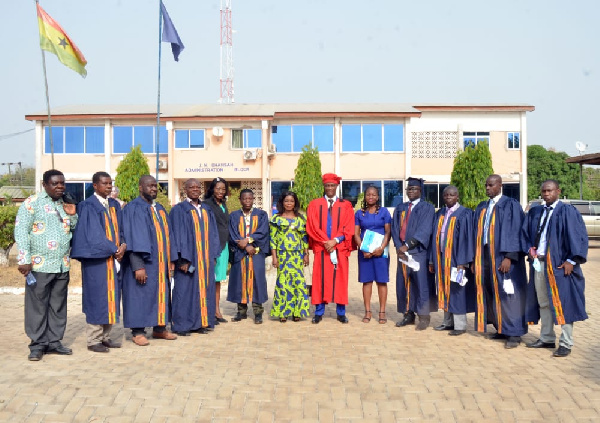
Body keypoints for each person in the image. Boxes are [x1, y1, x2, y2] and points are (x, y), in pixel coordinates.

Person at [14, 169, 78, 361]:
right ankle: (38, 344)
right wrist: (24, 259)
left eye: (62, 183)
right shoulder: (31, 204)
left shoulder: (65, 204)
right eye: (55, 183)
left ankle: (54, 341)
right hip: (38, 266)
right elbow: (21, 231)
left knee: (58, 306)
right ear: (44, 184)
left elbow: (72, 229)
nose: (60, 187)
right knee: (38, 306)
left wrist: (73, 215)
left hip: (61, 265)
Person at [523, 180, 588, 357]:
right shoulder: (537, 211)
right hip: (540, 264)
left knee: (563, 303)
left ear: (558, 191)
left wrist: (572, 261)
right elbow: (527, 234)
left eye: (550, 191)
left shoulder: (567, 212)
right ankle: (547, 338)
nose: (546, 194)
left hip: (560, 265)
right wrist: (530, 248)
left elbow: (579, 236)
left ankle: (566, 343)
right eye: (543, 191)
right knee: (543, 302)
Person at [71, 172, 126, 353]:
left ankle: (106, 337)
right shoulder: (88, 206)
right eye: (105, 183)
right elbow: (93, 235)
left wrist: (123, 246)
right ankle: (93, 339)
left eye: (110, 183)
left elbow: (122, 229)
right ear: (95, 185)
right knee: (97, 298)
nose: (109, 186)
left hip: (114, 260)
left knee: (112, 297)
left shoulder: (114, 205)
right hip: (97, 261)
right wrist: (114, 248)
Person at [472, 174, 528, 349]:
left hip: (503, 257)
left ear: (500, 186)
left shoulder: (511, 205)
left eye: (491, 185)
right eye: (486, 185)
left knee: (509, 294)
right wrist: (475, 260)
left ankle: (514, 333)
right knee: (492, 291)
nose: (488, 188)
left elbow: (517, 231)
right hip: (485, 256)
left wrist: (509, 256)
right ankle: (501, 328)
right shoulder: (483, 207)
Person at [121, 175, 177, 346]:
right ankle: (137, 331)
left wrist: (171, 260)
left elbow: (170, 236)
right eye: (150, 186)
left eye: (155, 186)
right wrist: (138, 265)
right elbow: (131, 238)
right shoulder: (133, 208)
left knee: (161, 295)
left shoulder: (159, 208)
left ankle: (159, 329)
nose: (153, 189)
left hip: (161, 264)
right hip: (144, 263)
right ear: (140, 187)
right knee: (140, 296)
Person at [169, 179, 221, 336]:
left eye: (198, 187)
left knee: (204, 290)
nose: (195, 190)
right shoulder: (179, 210)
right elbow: (174, 235)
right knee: (184, 292)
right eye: (191, 187)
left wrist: (213, 255)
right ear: (185, 190)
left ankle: (200, 323)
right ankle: (181, 325)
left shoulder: (206, 209)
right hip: (188, 259)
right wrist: (180, 260)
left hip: (205, 260)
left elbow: (213, 233)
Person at [306, 173, 355, 324]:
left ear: (336, 186)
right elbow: (312, 226)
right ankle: (319, 312)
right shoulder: (315, 204)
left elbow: (349, 227)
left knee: (340, 280)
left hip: (339, 248)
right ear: (324, 186)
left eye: (332, 185)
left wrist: (335, 240)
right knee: (320, 279)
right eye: (327, 185)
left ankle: (341, 312)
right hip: (322, 248)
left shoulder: (345, 205)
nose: (330, 188)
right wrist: (325, 241)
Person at [428, 185, 475, 336]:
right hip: (441, 257)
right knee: (444, 288)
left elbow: (467, 240)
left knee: (457, 290)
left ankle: (460, 326)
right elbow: (432, 238)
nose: (448, 197)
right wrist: (431, 260)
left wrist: (463, 262)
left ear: (457, 197)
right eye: (446, 195)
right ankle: (447, 322)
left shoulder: (465, 213)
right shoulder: (440, 213)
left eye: (452, 195)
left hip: (456, 259)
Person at [391, 177, 436, 330]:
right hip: (402, 253)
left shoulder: (427, 208)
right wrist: (399, 246)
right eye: (409, 189)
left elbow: (425, 230)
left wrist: (408, 245)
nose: (411, 191)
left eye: (414, 189)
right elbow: (395, 229)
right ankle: (408, 314)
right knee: (405, 283)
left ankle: (424, 317)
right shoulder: (401, 208)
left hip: (418, 252)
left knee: (421, 283)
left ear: (420, 191)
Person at [228, 189, 270, 324]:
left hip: (256, 252)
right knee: (240, 280)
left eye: (250, 199)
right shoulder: (234, 215)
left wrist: (249, 240)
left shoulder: (261, 214)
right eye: (244, 199)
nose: (247, 201)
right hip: (240, 253)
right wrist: (245, 245)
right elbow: (233, 233)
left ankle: (258, 312)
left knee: (257, 280)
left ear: (253, 200)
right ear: (240, 199)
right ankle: (241, 311)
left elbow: (263, 232)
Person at [270, 191, 311, 322]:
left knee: (298, 282)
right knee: (283, 283)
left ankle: (297, 311)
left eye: (291, 201)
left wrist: (306, 254)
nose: (289, 203)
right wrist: (274, 257)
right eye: (286, 201)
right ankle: (283, 312)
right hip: (283, 255)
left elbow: (305, 238)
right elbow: (273, 239)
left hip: (297, 255)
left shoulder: (301, 219)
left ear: (295, 203)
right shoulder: (276, 219)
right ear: (282, 202)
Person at [353, 185, 391, 324]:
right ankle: (367, 311)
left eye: (374, 194)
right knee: (367, 281)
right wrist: (363, 249)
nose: (371, 197)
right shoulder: (359, 213)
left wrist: (381, 247)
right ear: (365, 196)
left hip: (381, 252)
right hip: (365, 252)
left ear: (378, 197)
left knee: (381, 281)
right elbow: (356, 233)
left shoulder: (384, 212)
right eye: (368, 194)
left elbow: (388, 232)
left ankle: (382, 312)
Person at [203, 177, 230, 324]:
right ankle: (207, 311)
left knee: (218, 279)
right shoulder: (206, 204)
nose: (220, 191)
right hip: (212, 246)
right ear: (212, 189)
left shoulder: (223, 204)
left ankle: (216, 311)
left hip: (223, 246)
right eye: (218, 188)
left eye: (223, 189)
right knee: (209, 279)